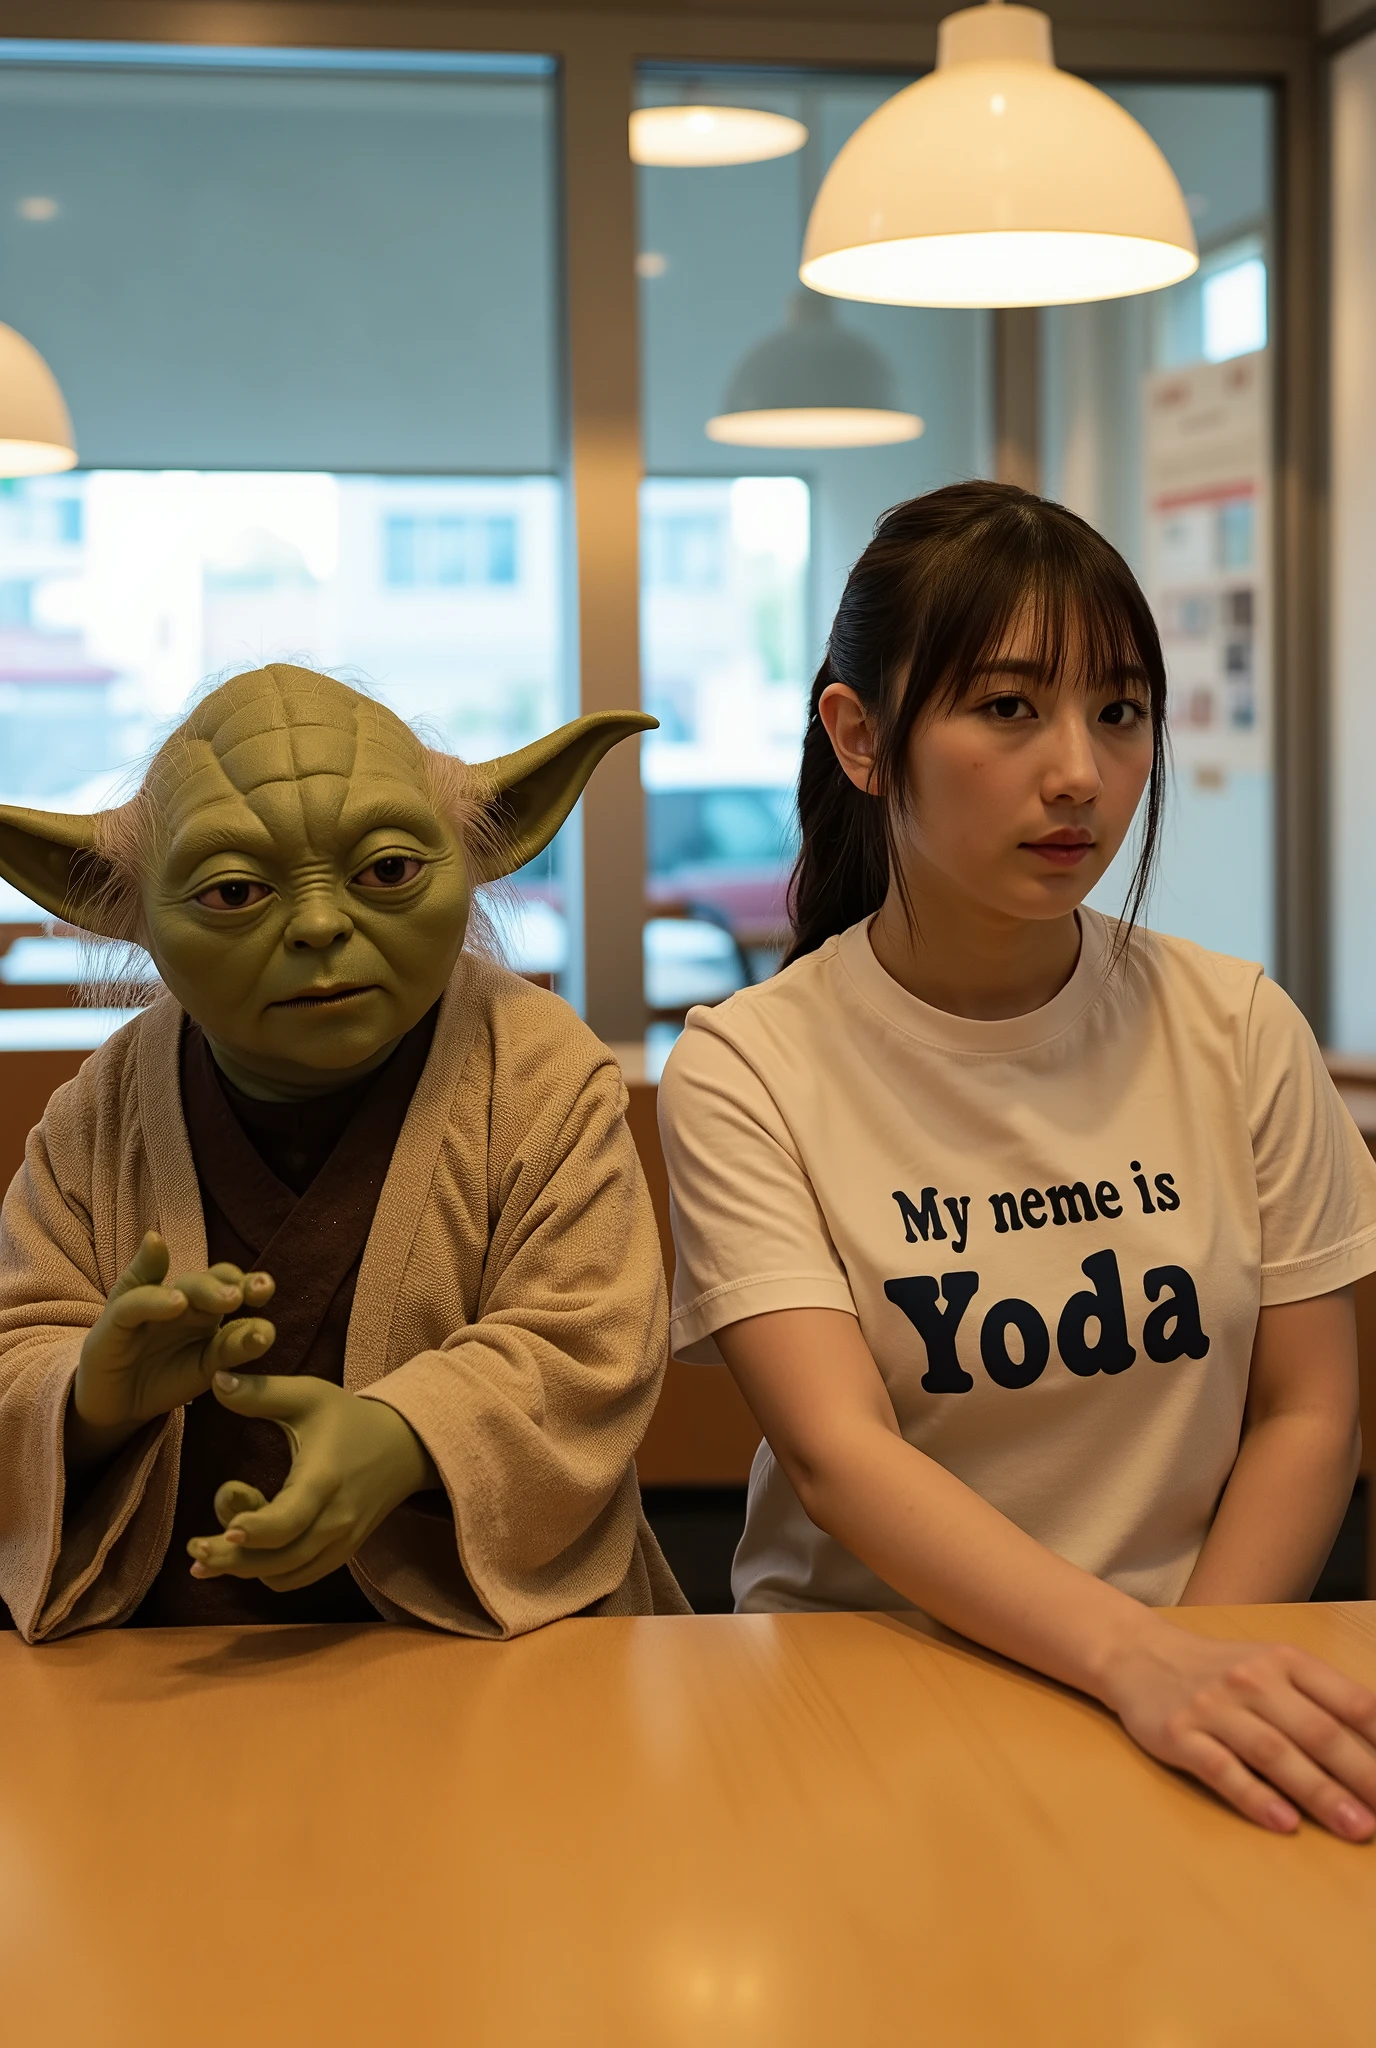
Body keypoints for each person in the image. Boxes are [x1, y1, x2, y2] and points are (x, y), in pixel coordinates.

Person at [659, 481, 1376, 1840]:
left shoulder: (1236, 1027)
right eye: (1007, 708)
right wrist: (1135, 1661)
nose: (1080, 774)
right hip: (860, 1698)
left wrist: (1195, 1667)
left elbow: (1308, 1413)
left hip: (1198, 1676)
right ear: (860, 738)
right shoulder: (751, 1065)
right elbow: (836, 1455)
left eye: (1117, 711)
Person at [0, 662, 687, 1639]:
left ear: (481, 850)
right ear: (121, 905)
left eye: (388, 871)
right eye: (235, 889)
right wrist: (89, 1395)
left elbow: (587, 1340)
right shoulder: (102, 1111)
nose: (321, 924)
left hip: (488, 1650)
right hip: (169, 1651)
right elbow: (18, 1340)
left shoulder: (535, 1072)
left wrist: (408, 1433)